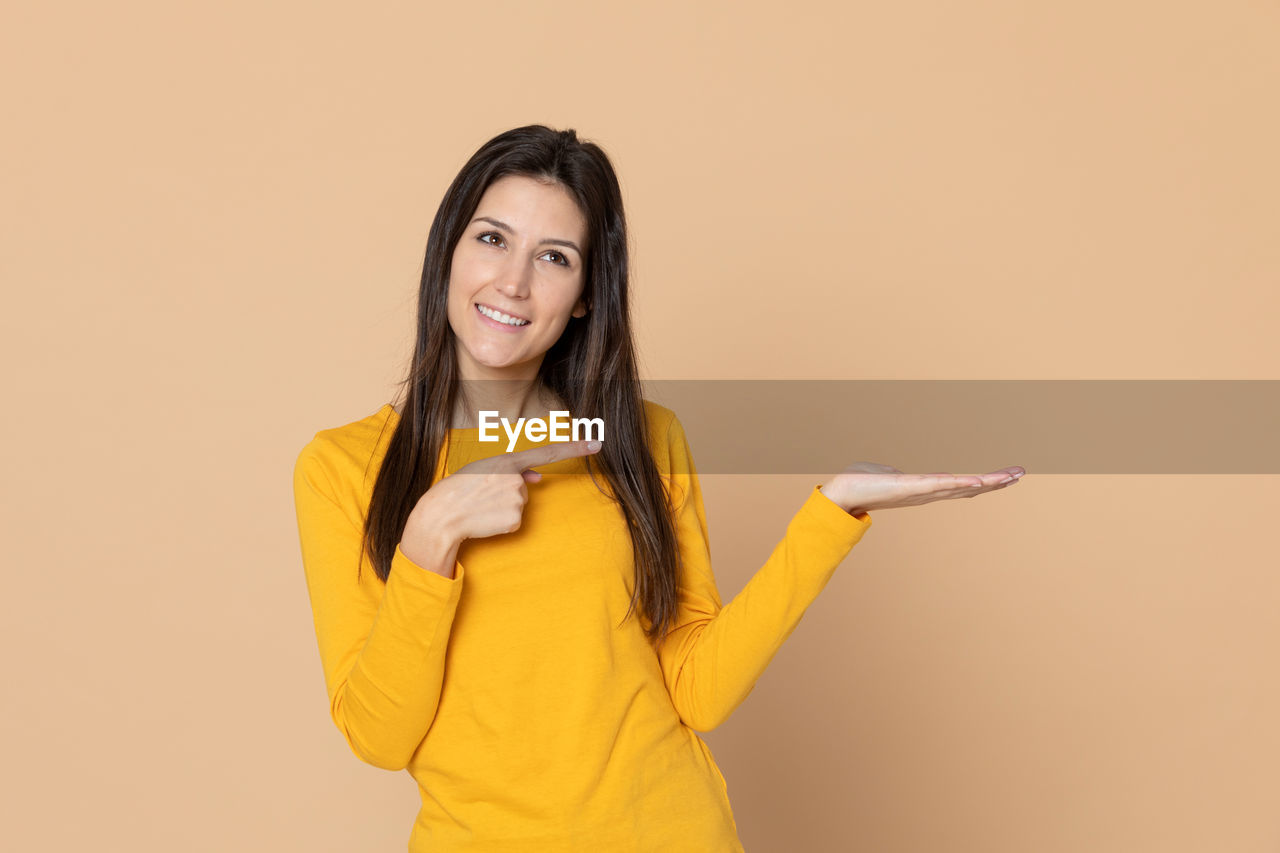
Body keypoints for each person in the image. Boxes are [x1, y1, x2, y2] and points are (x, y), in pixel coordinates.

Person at [291, 124, 1024, 852]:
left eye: (554, 257)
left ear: (583, 295)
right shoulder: (343, 468)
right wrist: (429, 539)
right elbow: (379, 736)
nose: (513, 281)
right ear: (447, 251)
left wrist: (834, 512)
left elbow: (696, 688)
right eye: (491, 239)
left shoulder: (643, 439)